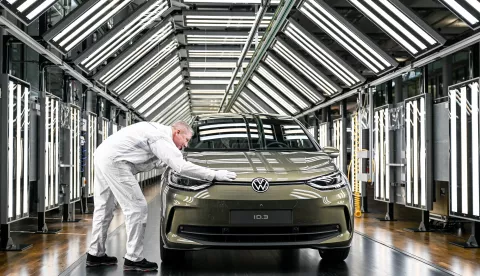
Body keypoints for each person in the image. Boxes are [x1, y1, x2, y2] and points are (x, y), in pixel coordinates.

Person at [85, 121, 237, 271]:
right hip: (115, 162)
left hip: (102, 155)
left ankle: (95, 255)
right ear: (177, 132)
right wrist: (214, 175)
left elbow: (155, 160)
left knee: (104, 208)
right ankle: (133, 259)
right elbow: (181, 167)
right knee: (137, 208)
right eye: (186, 139)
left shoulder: (155, 132)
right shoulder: (161, 137)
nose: (186, 145)